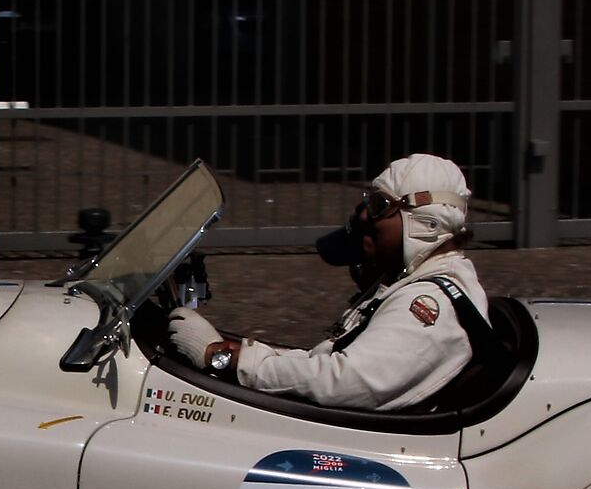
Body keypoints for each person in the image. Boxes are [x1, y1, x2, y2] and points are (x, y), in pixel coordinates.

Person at [166, 153, 491, 412]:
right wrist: (241, 353)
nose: (365, 216)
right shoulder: (410, 280)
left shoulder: (426, 302)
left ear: (425, 223)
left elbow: (347, 381)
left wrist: (220, 359)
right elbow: (329, 358)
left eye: (380, 206)